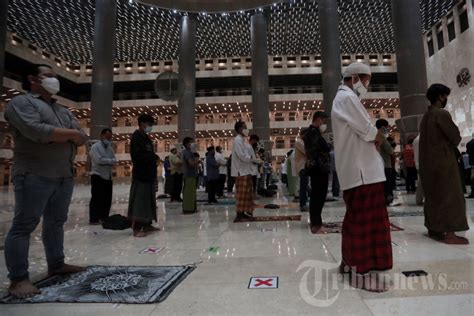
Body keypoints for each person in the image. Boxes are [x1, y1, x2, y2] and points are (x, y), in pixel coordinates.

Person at [4, 64, 88, 298]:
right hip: (34, 173)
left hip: (63, 174)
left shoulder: (62, 110)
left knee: (56, 222)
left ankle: (57, 263)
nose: (54, 80)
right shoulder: (21, 104)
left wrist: (62, 136)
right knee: (24, 225)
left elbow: (82, 137)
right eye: (49, 76)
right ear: (32, 79)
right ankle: (18, 279)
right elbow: (37, 132)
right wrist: (69, 135)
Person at [331, 62, 392, 292]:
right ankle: (361, 273)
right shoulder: (347, 98)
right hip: (362, 172)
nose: (367, 85)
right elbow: (367, 129)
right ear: (354, 77)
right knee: (364, 225)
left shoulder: (343, 98)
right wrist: (380, 137)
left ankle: (349, 265)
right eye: (366, 80)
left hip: (359, 171)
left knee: (355, 221)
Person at [419, 84, 469, 244]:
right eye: (445, 96)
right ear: (440, 97)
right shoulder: (441, 114)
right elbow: (455, 137)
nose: (446, 99)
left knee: (433, 197)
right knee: (450, 196)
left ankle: (433, 228)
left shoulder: (426, 117)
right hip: (444, 163)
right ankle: (450, 233)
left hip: (428, 164)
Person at [128, 114, 159, 237]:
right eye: (149, 125)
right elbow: (137, 157)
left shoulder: (146, 138)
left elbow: (149, 153)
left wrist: (154, 157)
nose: (150, 127)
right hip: (141, 175)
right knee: (139, 202)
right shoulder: (136, 137)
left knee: (148, 200)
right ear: (142, 124)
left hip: (149, 174)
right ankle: (136, 228)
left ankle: (147, 224)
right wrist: (152, 157)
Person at [303, 111, 331, 234]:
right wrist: (328, 145)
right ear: (318, 119)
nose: (323, 124)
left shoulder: (312, 133)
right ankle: (316, 223)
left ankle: (316, 221)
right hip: (318, 168)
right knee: (318, 195)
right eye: (323, 121)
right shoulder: (313, 133)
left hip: (317, 167)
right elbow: (323, 148)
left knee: (317, 195)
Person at [232, 121, 260, 222]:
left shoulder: (243, 140)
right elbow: (241, 155)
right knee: (241, 194)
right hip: (240, 170)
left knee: (246, 193)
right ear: (239, 129)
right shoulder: (237, 140)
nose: (246, 129)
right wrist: (252, 159)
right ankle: (239, 215)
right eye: (244, 127)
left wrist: (253, 159)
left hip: (246, 170)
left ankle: (244, 213)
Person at [89, 128, 117, 225]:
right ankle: (94, 219)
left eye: (110, 137)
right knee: (97, 198)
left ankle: (104, 217)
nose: (109, 139)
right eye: (107, 137)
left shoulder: (110, 148)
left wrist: (108, 161)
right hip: (98, 176)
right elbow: (99, 160)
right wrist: (109, 161)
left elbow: (115, 160)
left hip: (108, 176)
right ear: (102, 136)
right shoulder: (95, 147)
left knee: (107, 199)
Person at [376, 119, 396, 205]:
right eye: (386, 127)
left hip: (378, 164)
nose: (387, 128)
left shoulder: (374, 135)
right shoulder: (381, 136)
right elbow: (390, 150)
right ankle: (388, 198)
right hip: (386, 164)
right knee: (388, 184)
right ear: (383, 127)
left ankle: (383, 198)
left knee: (382, 184)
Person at [182, 137, 200, 214]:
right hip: (189, 175)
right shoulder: (186, 152)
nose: (193, 144)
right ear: (187, 144)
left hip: (192, 175)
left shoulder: (189, 152)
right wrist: (197, 161)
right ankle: (188, 208)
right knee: (189, 193)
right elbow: (191, 163)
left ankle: (192, 207)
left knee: (192, 193)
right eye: (191, 142)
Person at [295, 130, 309, 212]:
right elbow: (306, 151)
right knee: (303, 186)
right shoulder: (299, 142)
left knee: (305, 186)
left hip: (304, 166)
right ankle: (302, 205)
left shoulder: (301, 142)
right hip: (302, 167)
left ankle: (304, 203)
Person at [413, 135, 424, 205]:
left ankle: (419, 199)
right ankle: (419, 200)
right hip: (424, 164)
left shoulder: (416, 139)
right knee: (422, 183)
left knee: (421, 182)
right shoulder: (422, 138)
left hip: (419, 163)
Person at [467, 134, 474, 198]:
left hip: (472, 163)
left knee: (472, 177)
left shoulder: (469, 143)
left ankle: (473, 192)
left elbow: (468, 152)